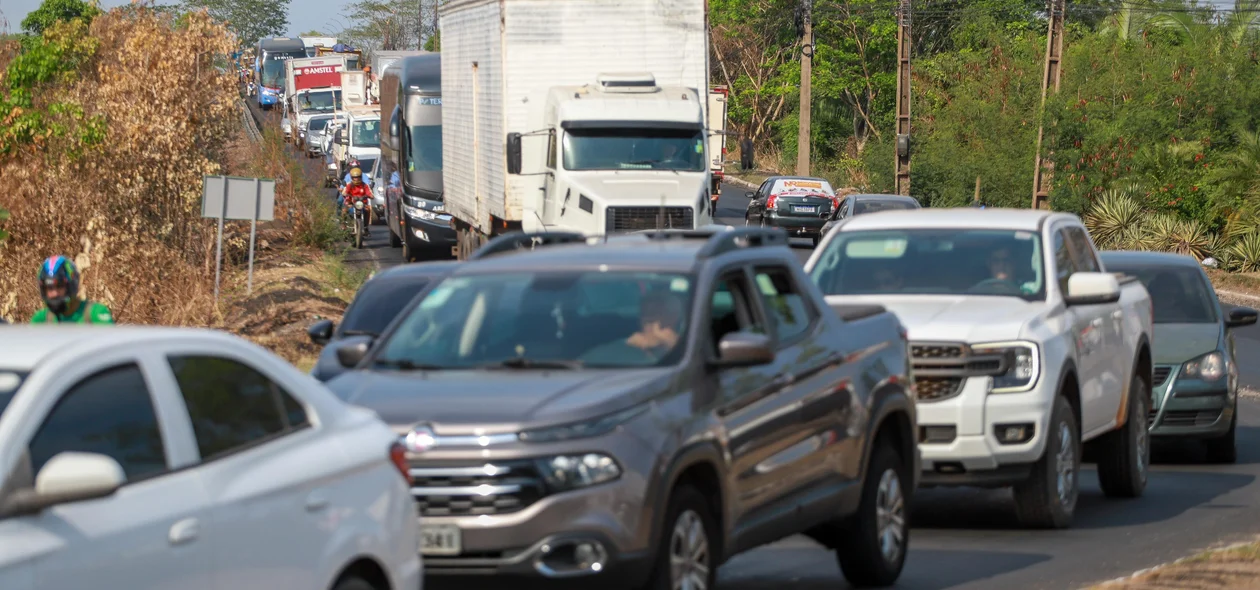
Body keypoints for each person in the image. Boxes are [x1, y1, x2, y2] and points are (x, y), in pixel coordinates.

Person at [31, 256, 114, 324]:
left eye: (59, 286)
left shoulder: (96, 314)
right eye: (49, 288)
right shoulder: (40, 320)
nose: (54, 293)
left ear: (71, 286)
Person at [342, 167, 374, 233]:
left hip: (362, 203)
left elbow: (369, 193)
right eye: (354, 177)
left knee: (368, 209)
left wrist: (370, 196)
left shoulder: (364, 185)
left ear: (361, 177)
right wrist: (346, 194)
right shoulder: (349, 185)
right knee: (344, 210)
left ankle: (365, 227)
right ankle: (344, 225)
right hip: (351, 202)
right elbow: (345, 192)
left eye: (358, 177)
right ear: (351, 177)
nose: (356, 179)